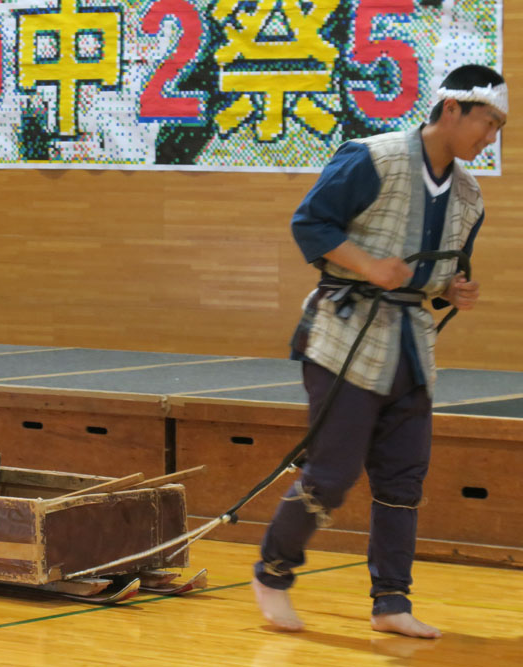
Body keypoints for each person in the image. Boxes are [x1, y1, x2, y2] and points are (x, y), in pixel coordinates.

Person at [252, 65, 507, 638]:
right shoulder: (372, 157)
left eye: (498, 129)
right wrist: (369, 266)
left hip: (411, 347)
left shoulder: (469, 195)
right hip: (345, 336)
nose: (490, 138)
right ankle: (272, 572)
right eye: (486, 124)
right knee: (333, 473)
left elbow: (436, 271)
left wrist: (452, 290)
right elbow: (309, 223)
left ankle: (391, 601)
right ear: (451, 110)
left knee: (403, 480)